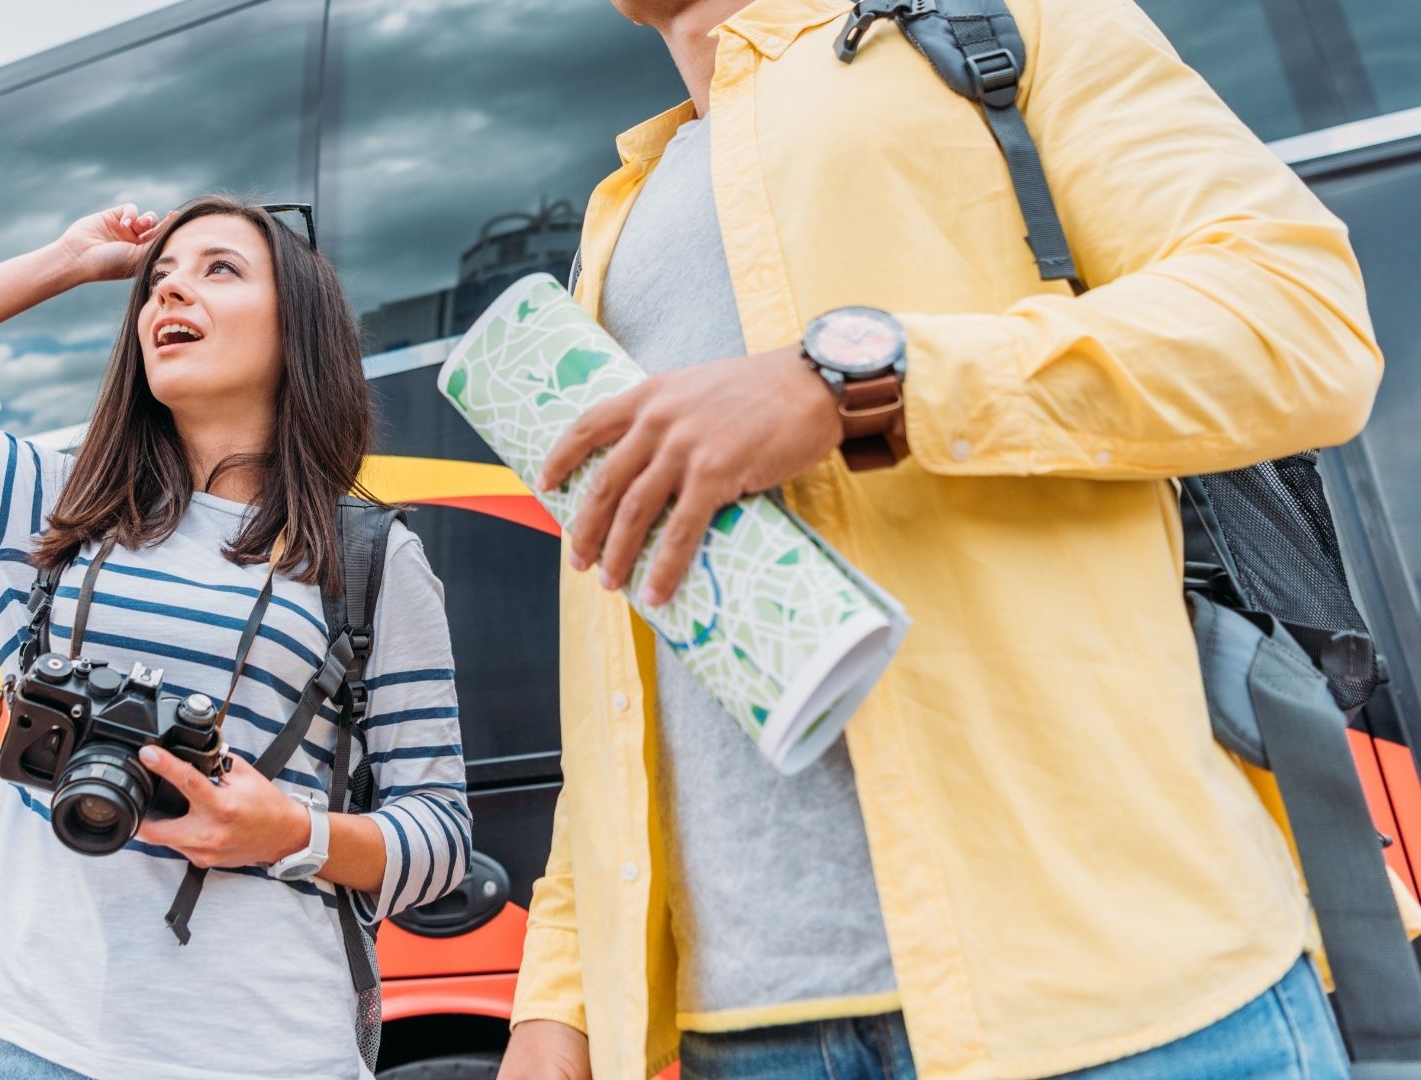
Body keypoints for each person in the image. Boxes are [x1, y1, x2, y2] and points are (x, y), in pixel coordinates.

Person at [498, 1, 1383, 1078]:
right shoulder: (613, 228)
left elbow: (1301, 321)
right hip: (752, 1042)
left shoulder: (1011, 23)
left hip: (1121, 1000)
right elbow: (626, 683)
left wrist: (857, 382)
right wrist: (560, 1000)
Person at [0, 195, 470, 1079]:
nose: (169, 295)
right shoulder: (50, 504)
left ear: (299, 327)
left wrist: (288, 832)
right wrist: (69, 260)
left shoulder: (373, 561)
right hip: (11, 1029)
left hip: (263, 1049)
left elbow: (439, 840)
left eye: (218, 270)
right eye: (158, 280)